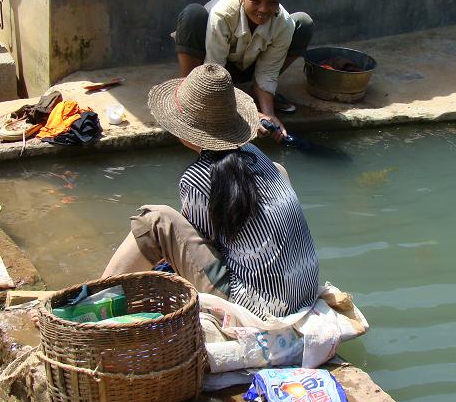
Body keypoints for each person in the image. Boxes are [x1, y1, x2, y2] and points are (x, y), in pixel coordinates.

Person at [102, 64, 319, 318]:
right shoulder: (256, 154)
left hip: (257, 309)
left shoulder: (197, 178)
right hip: (304, 295)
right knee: (279, 169)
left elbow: (199, 248)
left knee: (154, 221)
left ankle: (95, 301)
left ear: (184, 130)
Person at [173, 0, 313, 141]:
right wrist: (249, 114)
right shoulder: (223, 13)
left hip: (248, 66)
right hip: (209, 67)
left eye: (272, 3)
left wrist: (268, 114)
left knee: (303, 22)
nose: (263, 10)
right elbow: (214, 69)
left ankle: (258, 95)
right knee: (192, 14)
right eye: (255, 1)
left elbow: (268, 72)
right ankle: (190, 92)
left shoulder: (283, 23)